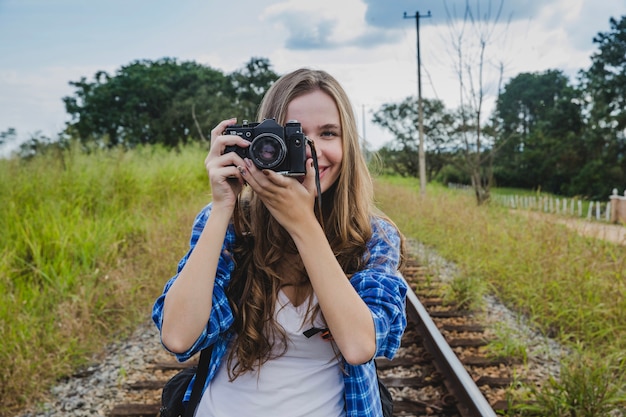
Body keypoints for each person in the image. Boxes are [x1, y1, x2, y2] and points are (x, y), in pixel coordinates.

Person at [152, 68, 408, 417]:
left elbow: (360, 345)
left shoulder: (373, 237)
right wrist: (222, 206)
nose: (310, 150)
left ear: (348, 145)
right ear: (262, 141)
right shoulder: (231, 224)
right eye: (295, 135)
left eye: (328, 133)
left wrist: (303, 224)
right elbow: (179, 337)